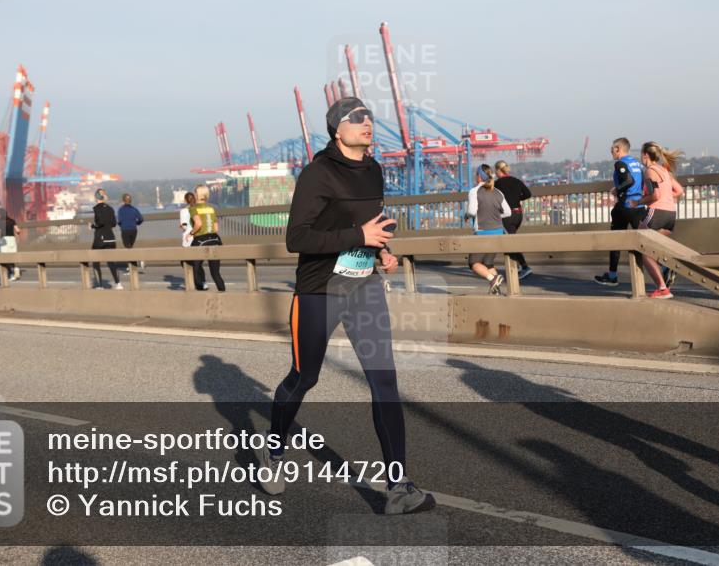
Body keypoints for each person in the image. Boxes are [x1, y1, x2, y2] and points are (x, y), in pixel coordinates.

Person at [253, 96, 435, 516]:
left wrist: (382, 252)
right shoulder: (317, 174)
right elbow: (296, 239)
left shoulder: (373, 169)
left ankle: (398, 487)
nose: (366, 121)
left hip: (363, 287)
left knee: (384, 383)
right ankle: (273, 451)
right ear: (338, 129)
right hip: (320, 290)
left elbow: (373, 224)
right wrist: (360, 238)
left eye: (369, 115)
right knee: (304, 378)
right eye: (356, 117)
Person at [594, 138, 647, 286]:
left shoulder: (620, 163)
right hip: (639, 206)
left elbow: (628, 181)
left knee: (615, 240)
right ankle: (663, 268)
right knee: (645, 241)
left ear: (618, 149)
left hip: (625, 206)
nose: (611, 152)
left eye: (612, 149)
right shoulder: (637, 163)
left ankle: (612, 276)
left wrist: (617, 190)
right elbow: (642, 182)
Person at [637, 142, 684, 299]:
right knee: (653, 246)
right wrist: (667, 197)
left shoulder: (649, 171)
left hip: (656, 212)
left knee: (641, 246)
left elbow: (655, 195)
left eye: (641, 155)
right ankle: (665, 267)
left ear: (645, 155)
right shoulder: (664, 170)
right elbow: (679, 190)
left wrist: (638, 202)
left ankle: (663, 288)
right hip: (670, 215)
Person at [466, 163, 512, 295]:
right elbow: (508, 212)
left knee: (473, 263)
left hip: (482, 232)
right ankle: (496, 291)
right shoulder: (498, 192)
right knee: (488, 263)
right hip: (498, 232)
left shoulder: (474, 191)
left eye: (476, 174)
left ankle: (493, 279)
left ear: (479, 177)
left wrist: (466, 215)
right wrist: (496, 216)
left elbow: (472, 211)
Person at [494, 159, 534, 280]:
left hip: (507, 216)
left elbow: (493, 198)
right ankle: (514, 267)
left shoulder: (497, 184)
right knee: (509, 240)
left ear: (498, 170)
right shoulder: (516, 181)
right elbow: (528, 194)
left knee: (509, 243)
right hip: (518, 215)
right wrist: (517, 198)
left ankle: (524, 267)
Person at [188, 185, 225, 292]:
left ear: (197, 195)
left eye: (194, 192)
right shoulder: (211, 208)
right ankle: (223, 293)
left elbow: (198, 224)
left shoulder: (193, 208)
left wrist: (191, 233)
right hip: (214, 239)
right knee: (215, 272)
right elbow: (216, 228)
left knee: (193, 265)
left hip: (200, 239)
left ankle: (201, 288)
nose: (193, 194)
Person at [89, 189, 122, 290]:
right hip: (111, 238)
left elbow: (100, 222)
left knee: (95, 260)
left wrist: (92, 226)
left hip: (100, 238)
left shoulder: (97, 208)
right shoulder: (110, 208)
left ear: (96, 197)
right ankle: (118, 283)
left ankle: (99, 285)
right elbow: (113, 223)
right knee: (111, 262)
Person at [118, 193, 145, 271]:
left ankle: (133, 265)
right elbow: (141, 219)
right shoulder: (134, 209)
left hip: (125, 230)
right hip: (133, 230)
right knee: (130, 248)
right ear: (131, 201)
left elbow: (119, 221)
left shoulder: (121, 210)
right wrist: (136, 224)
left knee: (128, 249)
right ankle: (132, 264)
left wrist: (123, 226)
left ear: (123, 200)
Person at [0, 211, 21, 281]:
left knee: (5, 258)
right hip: (12, 239)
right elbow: (18, 231)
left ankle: (10, 274)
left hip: (4, 240)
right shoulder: (12, 221)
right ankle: (16, 270)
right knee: (13, 257)